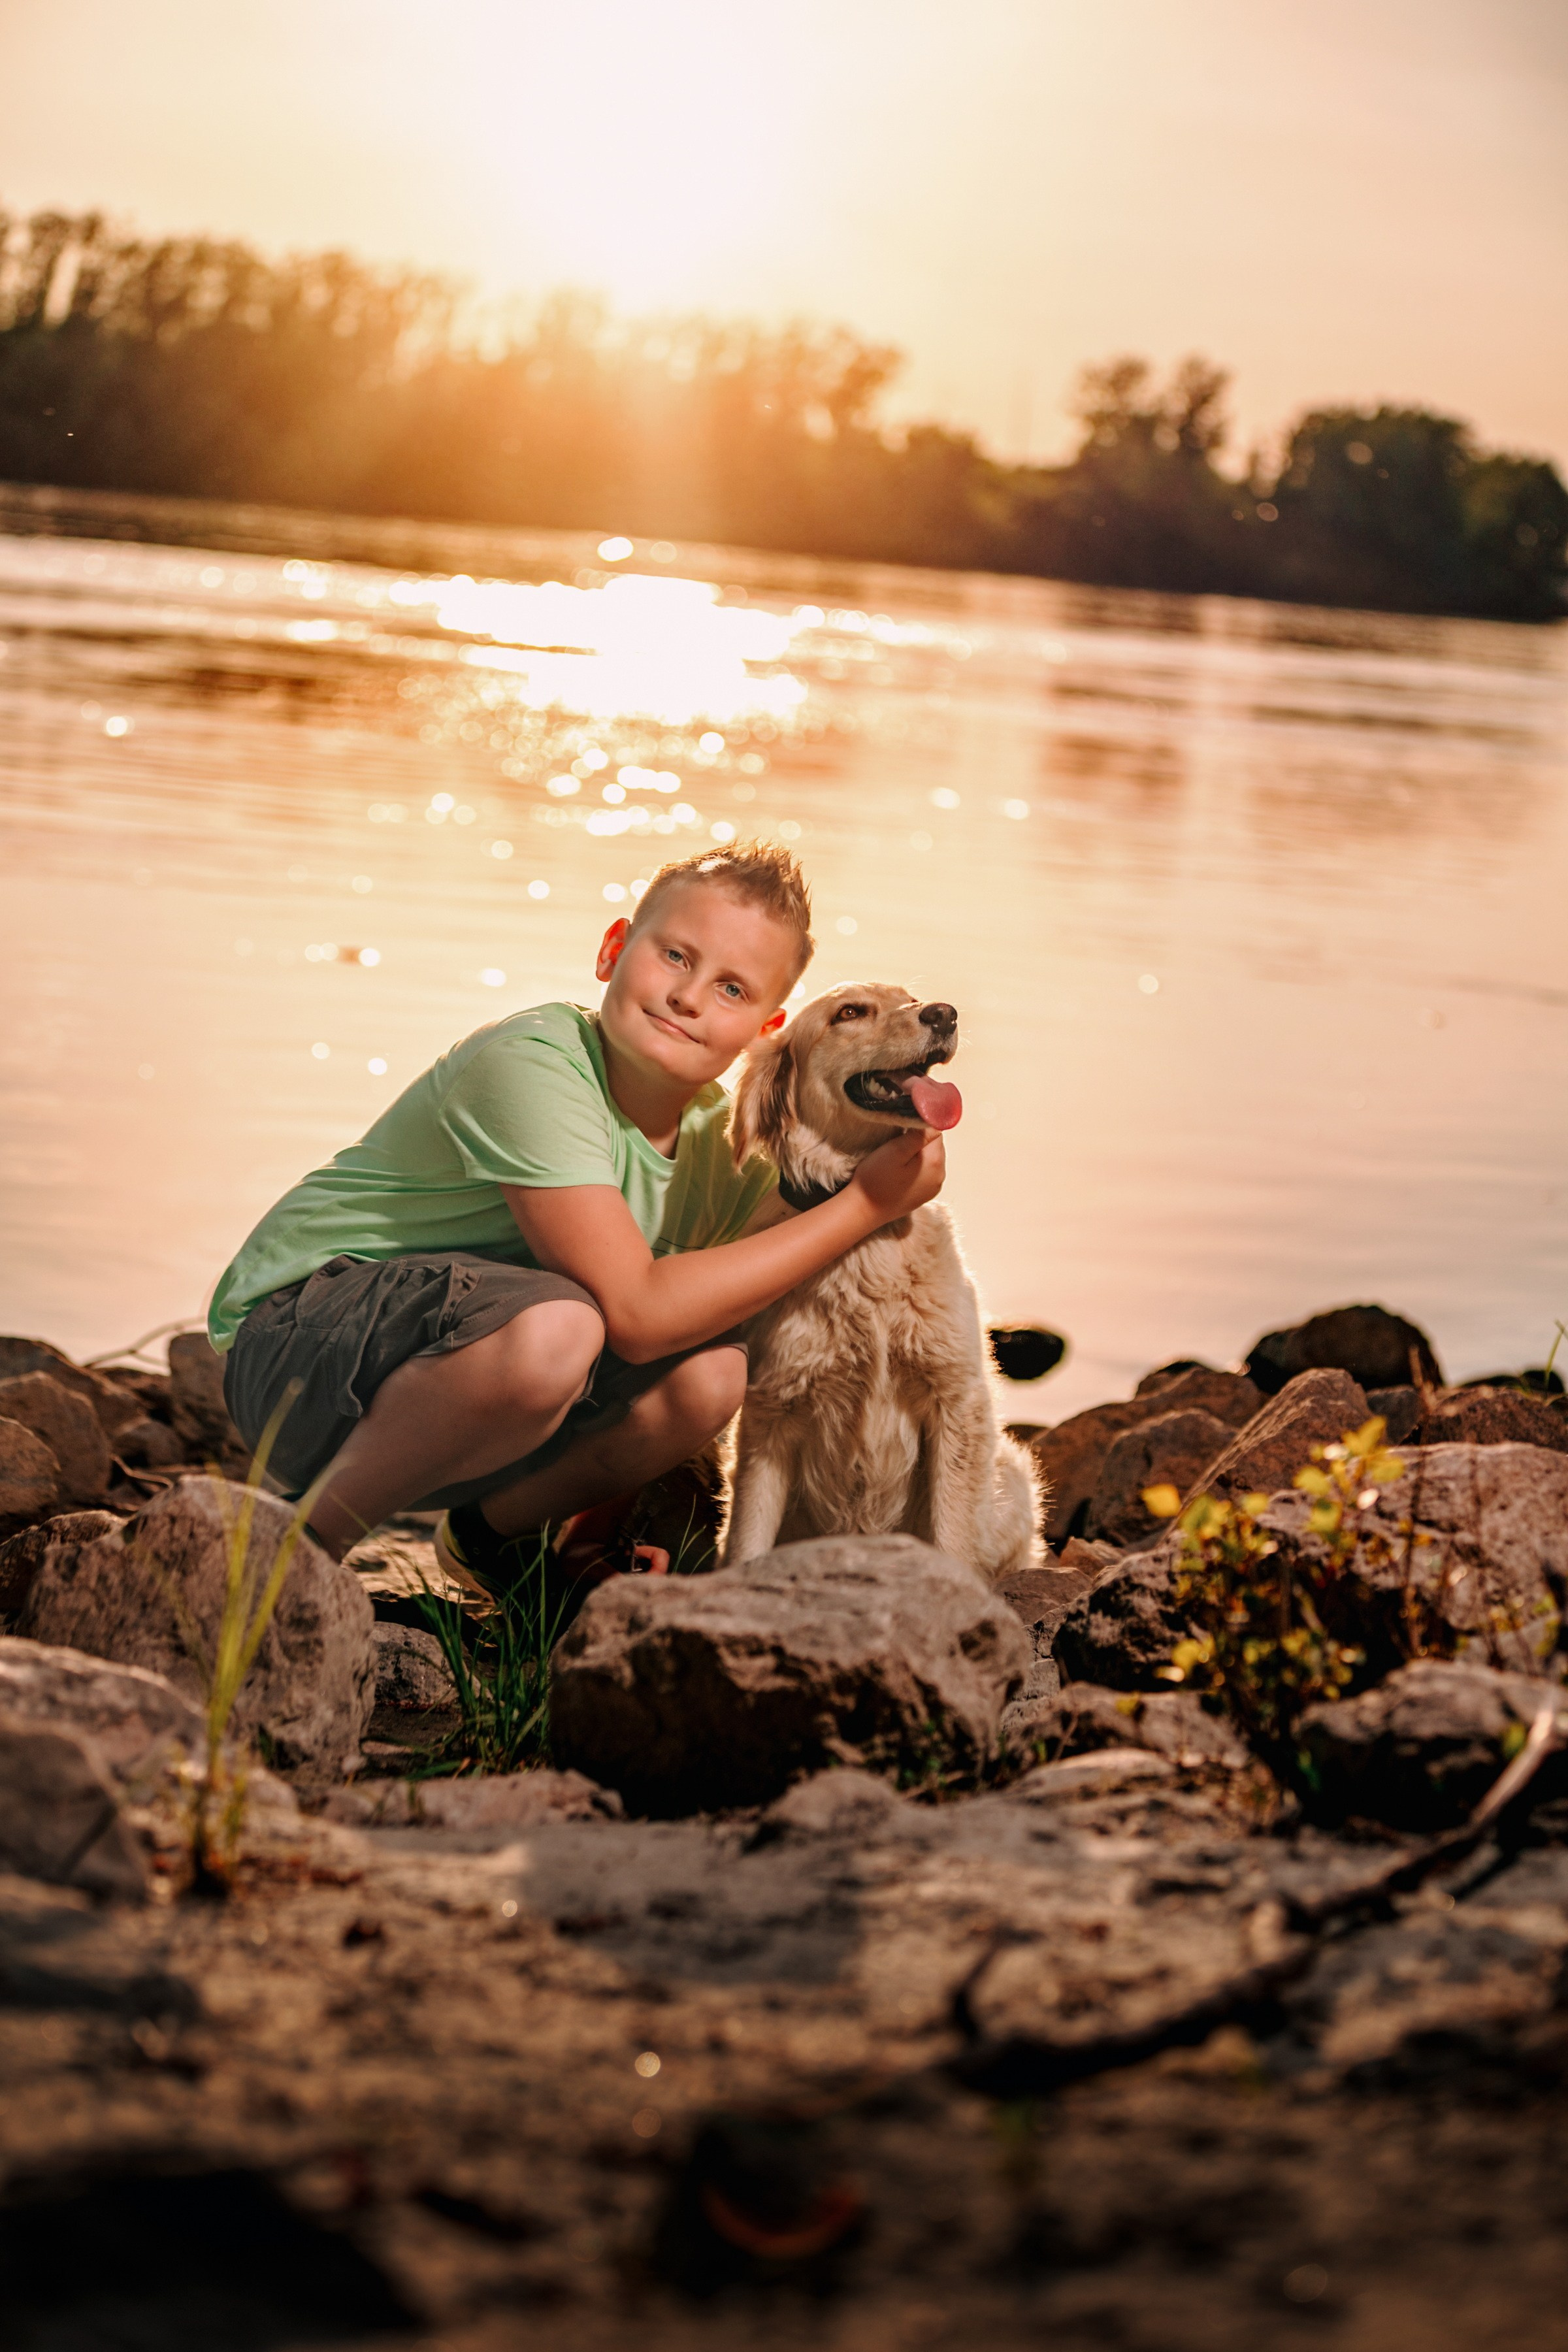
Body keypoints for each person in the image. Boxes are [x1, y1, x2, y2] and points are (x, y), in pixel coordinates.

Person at [209, 841, 945, 1611]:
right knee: (562, 1330)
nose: (690, 997)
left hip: (454, 1393)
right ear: (613, 950)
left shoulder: (715, 1149)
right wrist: (869, 1204)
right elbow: (637, 1315)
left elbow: (703, 1317)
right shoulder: (532, 1062)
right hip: (297, 1351)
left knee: (713, 1373)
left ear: (767, 1028)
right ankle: (298, 1549)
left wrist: (883, 1149)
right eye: (674, 957)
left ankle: (500, 1538)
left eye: (731, 988)